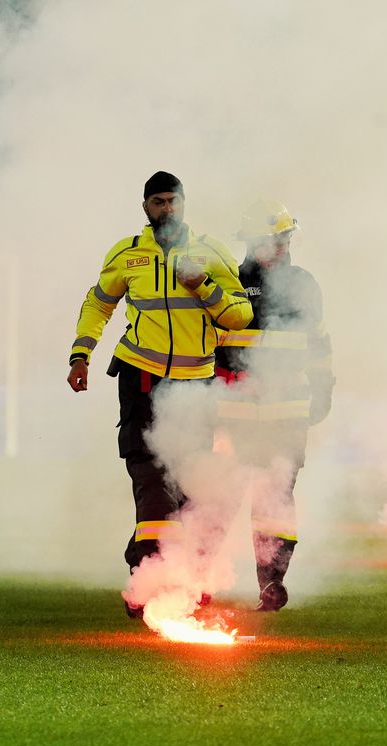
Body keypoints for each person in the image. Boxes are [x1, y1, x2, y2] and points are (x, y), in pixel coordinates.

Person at [66, 171, 254, 617]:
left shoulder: (211, 253)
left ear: (184, 203)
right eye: (157, 202)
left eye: (172, 200)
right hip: (142, 380)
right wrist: (80, 354)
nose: (166, 209)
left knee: (188, 490)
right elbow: (98, 303)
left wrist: (203, 286)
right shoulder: (128, 254)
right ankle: (150, 582)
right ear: (145, 207)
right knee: (150, 479)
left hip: (195, 388)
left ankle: (174, 576)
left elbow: (241, 316)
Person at [213, 200, 335, 611]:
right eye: (272, 239)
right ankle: (195, 578)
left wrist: (322, 387)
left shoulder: (304, 285)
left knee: (276, 498)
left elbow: (317, 343)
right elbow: (212, 347)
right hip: (234, 412)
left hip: (286, 413)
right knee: (218, 496)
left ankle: (272, 582)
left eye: (284, 237)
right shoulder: (227, 281)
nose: (281, 246)